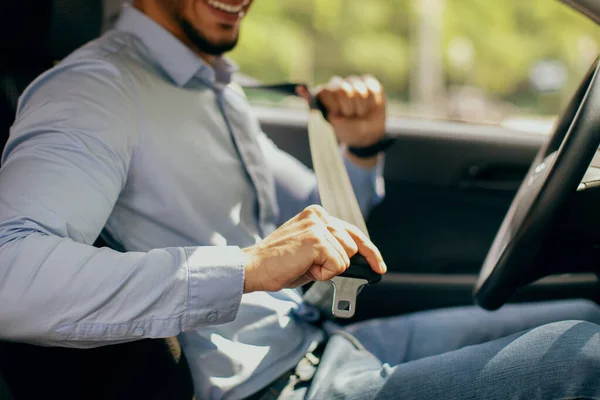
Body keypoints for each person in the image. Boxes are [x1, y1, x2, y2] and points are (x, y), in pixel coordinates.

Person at [0, 0, 599, 399]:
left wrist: (360, 152)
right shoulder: (95, 91)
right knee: (583, 359)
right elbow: (10, 275)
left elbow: (317, 215)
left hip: (315, 340)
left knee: (586, 319)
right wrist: (247, 268)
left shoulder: (212, 86)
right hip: (273, 386)